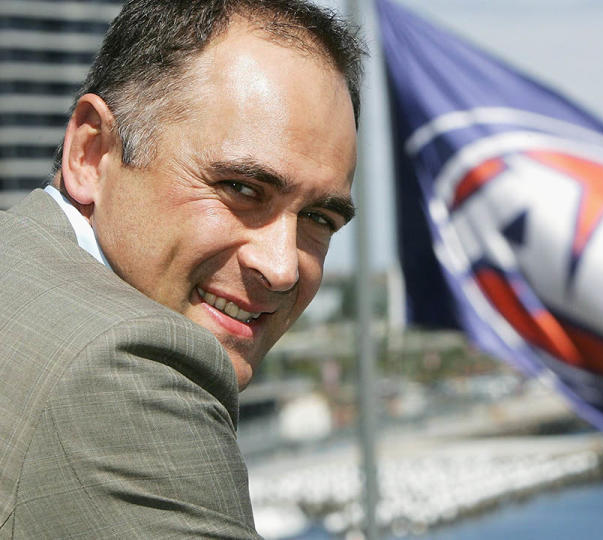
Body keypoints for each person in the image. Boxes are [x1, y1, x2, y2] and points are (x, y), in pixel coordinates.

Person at [0, 0, 363, 536]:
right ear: (91, 153)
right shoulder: (130, 371)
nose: (283, 268)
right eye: (242, 188)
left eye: (318, 218)